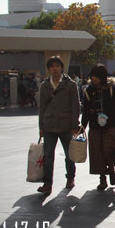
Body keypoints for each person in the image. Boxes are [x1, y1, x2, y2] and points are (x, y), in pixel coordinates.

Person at [37, 56, 80, 195]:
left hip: (66, 125)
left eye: (57, 66)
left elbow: (75, 106)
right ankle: (47, 183)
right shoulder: (45, 85)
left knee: (69, 155)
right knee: (48, 156)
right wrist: (41, 126)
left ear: (62, 68)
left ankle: (70, 177)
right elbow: (41, 108)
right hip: (49, 126)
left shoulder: (71, 84)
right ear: (48, 69)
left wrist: (75, 125)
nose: (54, 69)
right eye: (52, 66)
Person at [81, 64, 115, 191]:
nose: (94, 79)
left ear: (102, 76)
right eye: (92, 76)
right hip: (94, 127)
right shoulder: (88, 91)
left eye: (97, 76)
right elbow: (85, 111)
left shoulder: (111, 89)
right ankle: (102, 179)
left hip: (110, 125)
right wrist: (83, 126)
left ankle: (111, 170)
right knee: (97, 154)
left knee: (108, 150)